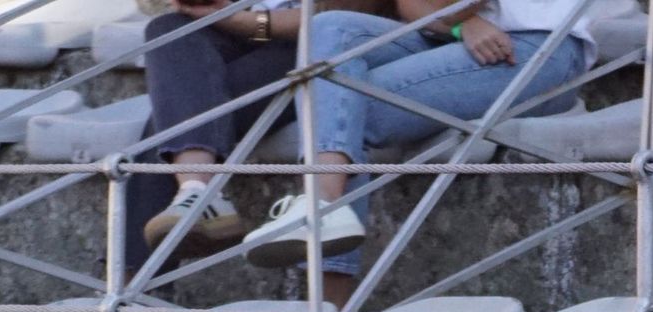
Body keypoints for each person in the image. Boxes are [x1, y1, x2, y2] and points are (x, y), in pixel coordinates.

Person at [238, 0, 613, 274]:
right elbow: (408, 4)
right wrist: (232, 21)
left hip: (534, 44)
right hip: (442, 34)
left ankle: (324, 255)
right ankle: (314, 212)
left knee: (345, 108)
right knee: (331, 31)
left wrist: (247, 23)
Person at [126, 0, 395, 305]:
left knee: (180, 110)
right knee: (167, 30)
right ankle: (196, 194)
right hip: (237, 28)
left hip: (309, 41)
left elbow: (336, 19)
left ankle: (133, 287)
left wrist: (245, 20)